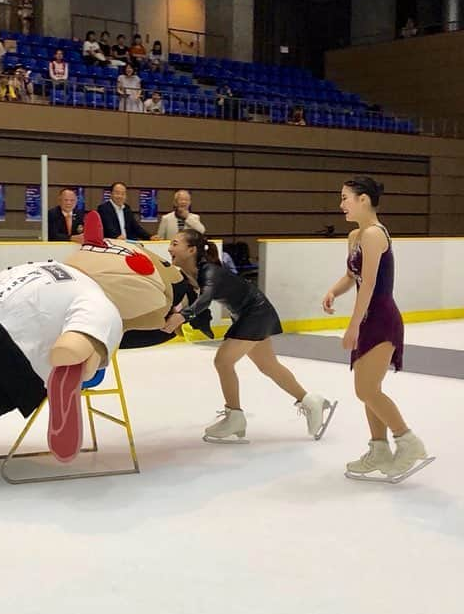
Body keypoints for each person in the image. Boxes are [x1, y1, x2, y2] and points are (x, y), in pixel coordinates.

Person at [163, 229, 335, 442]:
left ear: (191, 250)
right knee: (268, 366)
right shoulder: (190, 273)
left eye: (175, 243)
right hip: (250, 314)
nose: (169, 248)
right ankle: (311, 401)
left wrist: (181, 317)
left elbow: (205, 299)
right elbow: (190, 298)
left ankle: (234, 416)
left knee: (223, 361)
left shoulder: (208, 271)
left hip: (255, 313)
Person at [321, 176, 428, 481]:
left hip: (380, 318)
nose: (341, 204)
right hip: (369, 317)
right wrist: (333, 291)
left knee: (365, 389)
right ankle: (379, 450)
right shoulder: (355, 235)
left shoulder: (373, 234)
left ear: (364, 199)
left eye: (345, 198)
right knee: (370, 390)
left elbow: (368, 284)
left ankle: (407, 441)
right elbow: (351, 276)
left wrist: (353, 325)